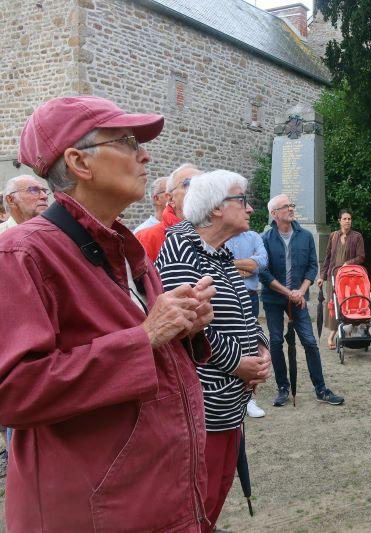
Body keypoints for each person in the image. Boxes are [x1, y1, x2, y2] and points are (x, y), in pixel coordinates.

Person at [0, 95, 216, 531]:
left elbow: (145, 348)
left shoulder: (122, 248)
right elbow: (11, 391)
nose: (145, 153)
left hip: (158, 505)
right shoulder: (21, 254)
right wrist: (146, 336)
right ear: (79, 163)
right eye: (127, 141)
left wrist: (183, 327)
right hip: (93, 515)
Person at [156, 169, 271, 530]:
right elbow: (189, 329)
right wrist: (240, 363)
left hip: (227, 405)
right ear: (218, 208)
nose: (250, 208)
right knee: (195, 505)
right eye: (242, 200)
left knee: (214, 498)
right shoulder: (180, 248)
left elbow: (244, 310)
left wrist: (261, 346)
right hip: (203, 404)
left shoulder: (220, 252)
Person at [260, 194, 344, 406]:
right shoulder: (265, 239)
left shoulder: (305, 236)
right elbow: (264, 273)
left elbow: (312, 267)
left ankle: (321, 389)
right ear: (274, 213)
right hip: (273, 299)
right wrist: (288, 292)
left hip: (299, 298)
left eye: (291, 205)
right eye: (285, 206)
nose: (290, 208)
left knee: (309, 342)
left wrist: (301, 291)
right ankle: (283, 388)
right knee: (277, 341)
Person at [226, 227, 270, 417]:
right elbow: (221, 264)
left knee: (251, 345)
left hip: (250, 297)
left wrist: (232, 265)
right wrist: (245, 265)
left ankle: (249, 398)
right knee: (230, 346)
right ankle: (231, 394)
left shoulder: (254, 237)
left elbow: (261, 262)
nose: (248, 210)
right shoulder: (222, 236)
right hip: (228, 297)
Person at [316, 209, 366, 350]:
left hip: (350, 277)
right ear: (340, 221)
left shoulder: (357, 237)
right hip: (334, 276)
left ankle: (346, 332)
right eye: (345, 219)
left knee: (348, 304)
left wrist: (348, 263)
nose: (347, 221)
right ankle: (331, 335)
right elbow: (327, 258)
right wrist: (321, 276)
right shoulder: (333, 236)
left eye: (349, 219)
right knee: (333, 306)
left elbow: (361, 257)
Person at [137, 163, 201, 261]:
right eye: (188, 183)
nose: (199, 189)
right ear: (170, 198)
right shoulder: (146, 237)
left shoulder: (217, 232)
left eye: (202, 184)